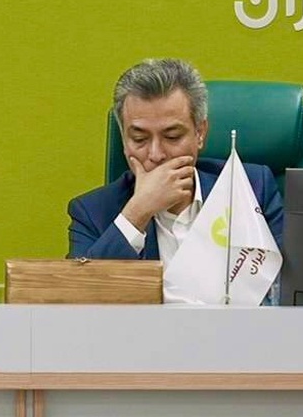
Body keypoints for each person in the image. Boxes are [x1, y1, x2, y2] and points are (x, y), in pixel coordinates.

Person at [67, 58, 283, 264]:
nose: (155, 154)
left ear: (200, 133)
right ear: (124, 139)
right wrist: (137, 213)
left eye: (172, 137)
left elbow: (289, 280)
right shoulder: (92, 212)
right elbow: (82, 288)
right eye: (139, 139)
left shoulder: (251, 188)